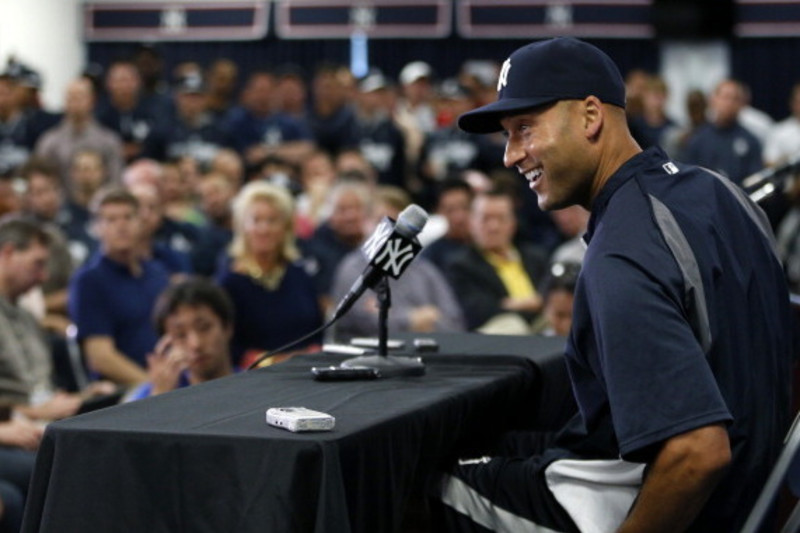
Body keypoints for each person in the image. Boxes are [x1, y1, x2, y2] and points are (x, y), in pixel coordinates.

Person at [435, 37, 793, 532]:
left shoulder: (622, 250)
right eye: (506, 136)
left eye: (524, 129)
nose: (511, 156)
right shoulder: (725, 192)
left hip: (677, 504)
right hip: (761, 495)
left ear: (589, 116)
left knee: (416, 481)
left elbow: (697, 453)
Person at [329, 186, 464, 340]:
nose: (392, 234)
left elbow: (455, 322)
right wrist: (414, 318)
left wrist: (415, 320)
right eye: (384, 222)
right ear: (366, 222)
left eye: (400, 227)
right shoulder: (352, 267)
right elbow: (366, 322)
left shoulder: (425, 270)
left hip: (424, 353)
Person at [68, 187, 170, 385]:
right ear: (97, 228)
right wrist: (153, 386)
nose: (121, 226)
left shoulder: (157, 272)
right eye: (111, 220)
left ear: (140, 223)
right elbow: (101, 358)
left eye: (128, 217)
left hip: (171, 379)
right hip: (126, 393)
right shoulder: (89, 281)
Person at [216, 181, 323, 368]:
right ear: (242, 227)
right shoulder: (229, 283)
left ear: (286, 227)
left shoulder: (300, 275)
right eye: (256, 220)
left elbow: (318, 330)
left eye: (272, 220)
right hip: (253, 379)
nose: (264, 229)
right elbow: (228, 347)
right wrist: (275, 361)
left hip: (307, 372)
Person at [446, 189, 549, 333]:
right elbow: (478, 312)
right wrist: (530, 304)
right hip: (498, 334)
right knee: (513, 326)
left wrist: (510, 304)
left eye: (501, 218)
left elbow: (552, 296)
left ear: (513, 223)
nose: (493, 227)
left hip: (543, 325)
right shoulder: (460, 266)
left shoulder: (536, 257)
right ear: (472, 223)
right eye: (485, 219)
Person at [126, 278, 234, 401]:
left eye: (204, 327)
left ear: (227, 327)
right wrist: (160, 398)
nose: (196, 344)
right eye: (180, 335)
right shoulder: (148, 398)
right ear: (166, 344)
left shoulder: (253, 378)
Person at [34, 76, 124, 186]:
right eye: (71, 97)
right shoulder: (49, 142)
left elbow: (116, 181)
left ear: (92, 100)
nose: (75, 103)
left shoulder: (109, 140)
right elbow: (43, 182)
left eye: (80, 97)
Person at [682, 79, 764, 186]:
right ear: (713, 100)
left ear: (742, 104)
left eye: (735, 99)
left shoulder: (751, 141)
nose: (729, 103)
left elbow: (754, 182)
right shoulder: (697, 140)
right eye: (725, 97)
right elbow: (687, 180)